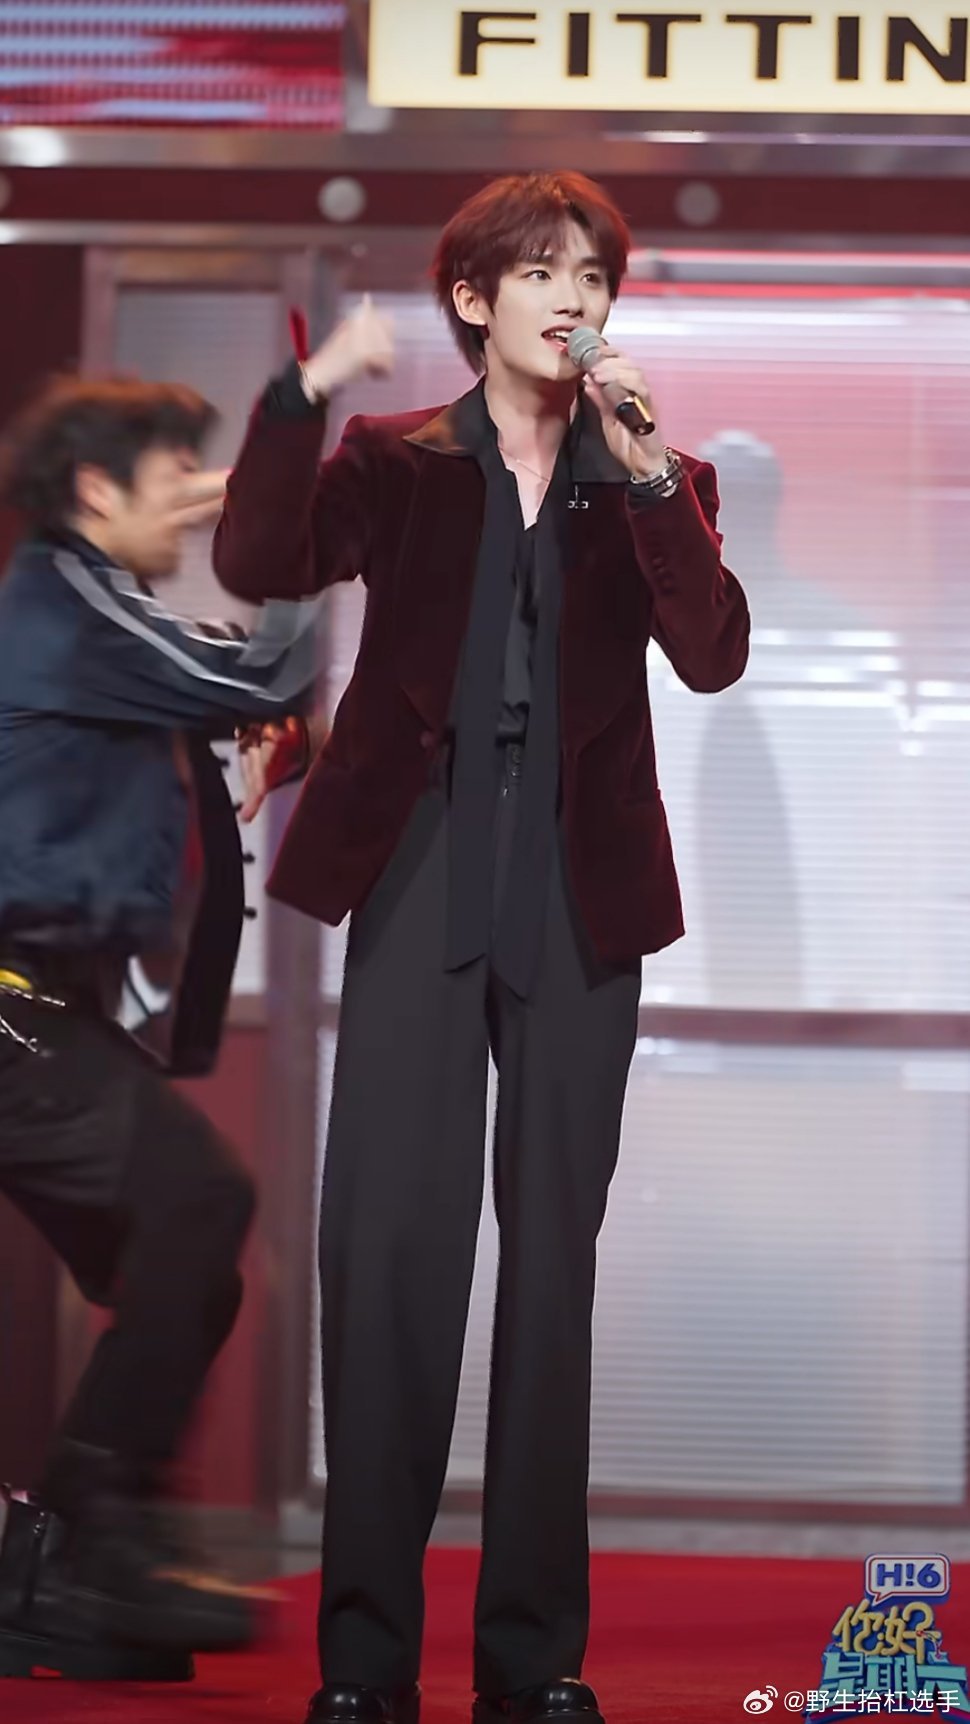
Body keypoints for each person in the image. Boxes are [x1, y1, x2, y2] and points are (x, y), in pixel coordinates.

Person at [215, 171, 750, 1724]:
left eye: (592, 275)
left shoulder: (654, 474)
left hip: (582, 889)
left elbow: (710, 655)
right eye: (540, 271)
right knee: (387, 1254)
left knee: (551, 1269)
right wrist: (299, 396)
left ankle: (533, 1664)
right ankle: (365, 1666)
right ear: (472, 299)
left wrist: (646, 482)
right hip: (422, 866)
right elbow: (260, 560)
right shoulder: (397, 460)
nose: (572, 298)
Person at [0, 375, 318, 1681]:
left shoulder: (92, 610)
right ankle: (88, 1550)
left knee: (180, 1260)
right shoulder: (64, 601)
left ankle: (66, 1563)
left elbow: (238, 710)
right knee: (198, 1202)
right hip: (9, 1004)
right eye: (176, 475)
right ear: (94, 490)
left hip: (43, 1004)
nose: (197, 498)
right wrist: (291, 538)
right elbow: (264, 665)